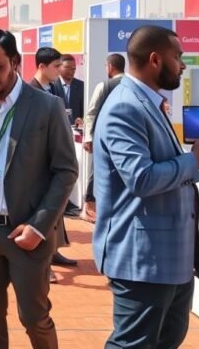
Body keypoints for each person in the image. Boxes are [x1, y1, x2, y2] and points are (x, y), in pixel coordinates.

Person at [93, 25, 199, 349]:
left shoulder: (149, 102)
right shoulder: (125, 106)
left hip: (169, 255)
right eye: (178, 56)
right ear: (155, 59)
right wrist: (194, 161)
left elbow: (162, 167)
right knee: (134, 344)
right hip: (142, 257)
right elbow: (141, 178)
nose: (182, 65)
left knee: (167, 339)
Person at [0, 29, 78, 349]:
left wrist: (39, 226)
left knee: (35, 318)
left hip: (28, 233)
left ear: (16, 62)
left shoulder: (47, 107)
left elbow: (65, 171)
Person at [27, 47, 76, 272]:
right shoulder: (28, 92)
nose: (60, 71)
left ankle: (54, 252)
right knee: (41, 211)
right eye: (56, 66)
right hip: (38, 161)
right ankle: (44, 264)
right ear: (41, 66)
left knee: (56, 209)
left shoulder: (54, 87)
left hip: (56, 157)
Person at [81, 53, 125, 222]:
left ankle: (89, 208)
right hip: (125, 139)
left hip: (104, 138)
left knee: (96, 170)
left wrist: (88, 137)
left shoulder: (104, 86)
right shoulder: (134, 85)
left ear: (110, 67)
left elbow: (91, 112)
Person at [58, 54, 85, 127]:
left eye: (73, 68)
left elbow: (85, 110)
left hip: (75, 131)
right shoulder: (52, 85)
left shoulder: (81, 86)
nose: (71, 71)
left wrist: (82, 119)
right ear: (59, 67)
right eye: (67, 67)